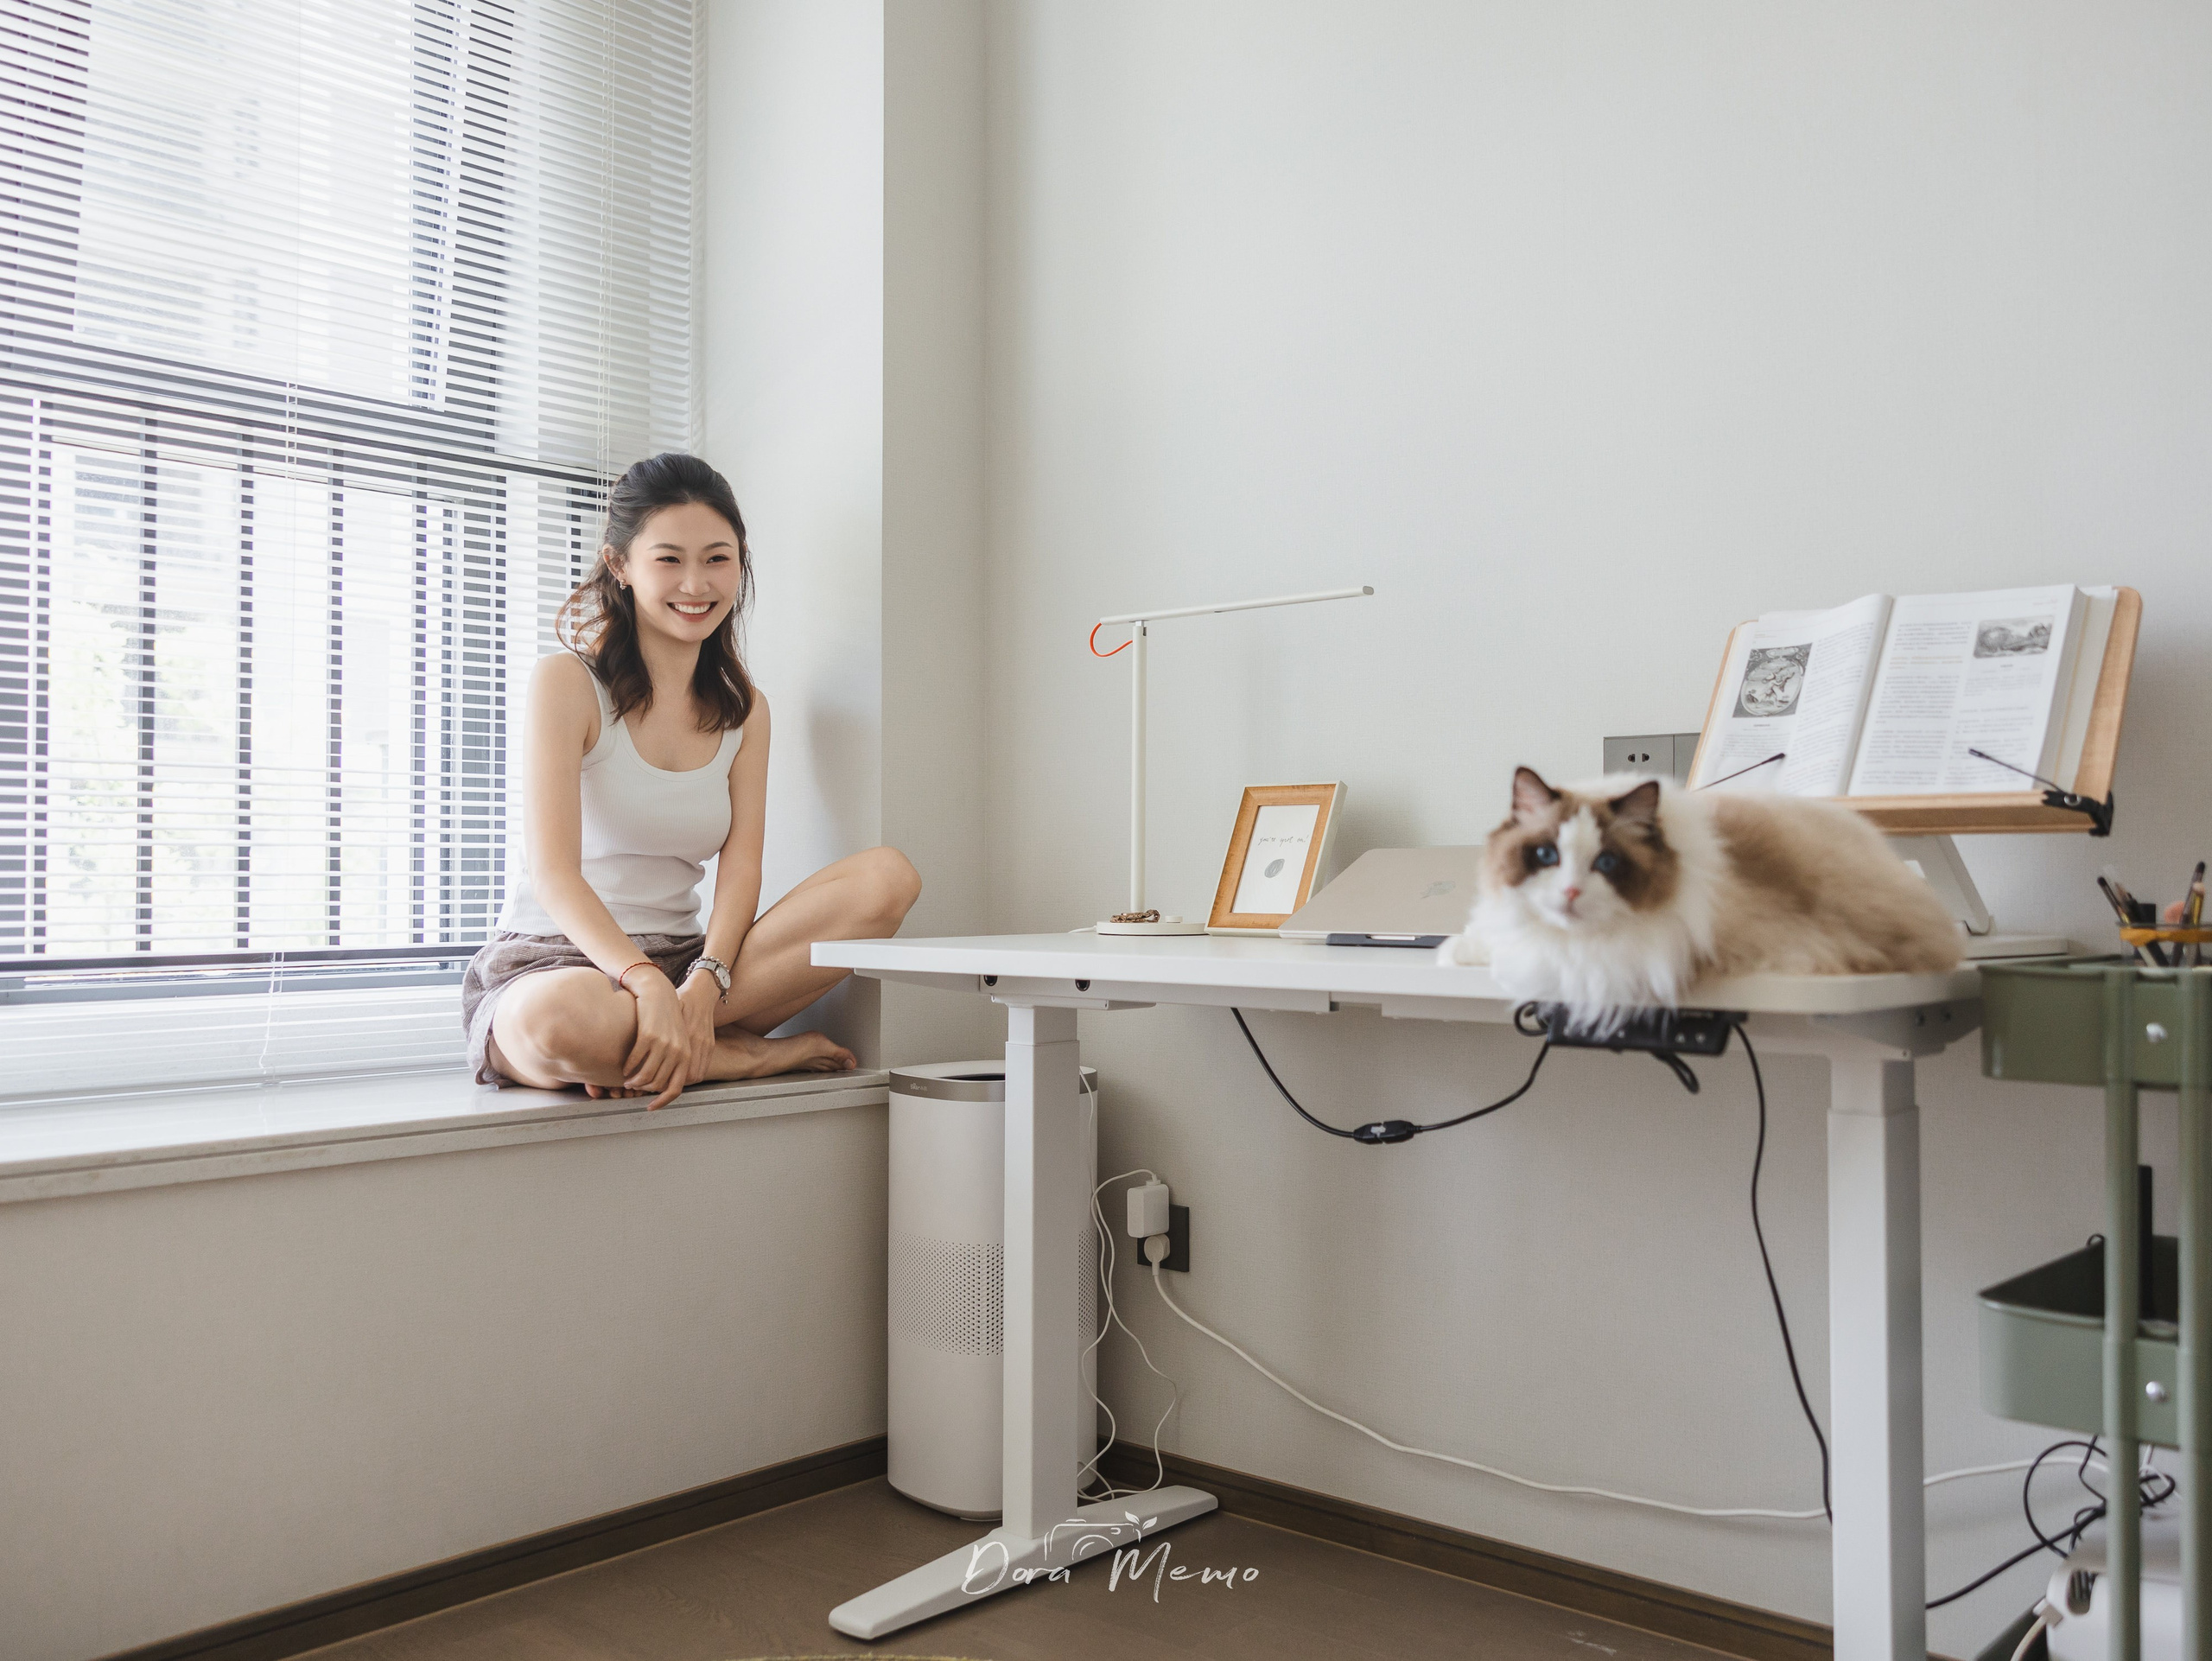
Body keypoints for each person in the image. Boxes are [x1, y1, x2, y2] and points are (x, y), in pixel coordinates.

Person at [461, 453, 919, 1108]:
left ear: (740, 562)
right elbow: (553, 873)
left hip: (691, 967)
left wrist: (704, 979)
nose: (696, 583)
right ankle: (734, 1058)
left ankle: (664, 1040)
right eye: (669, 559)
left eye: (717, 558)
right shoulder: (567, 684)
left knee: (887, 878)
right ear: (619, 565)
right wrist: (640, 980)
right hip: (560, 965)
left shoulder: (747, 711)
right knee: (560, 1021)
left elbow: (741, 872)